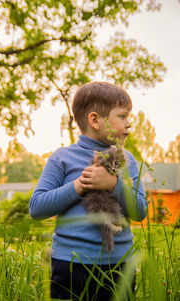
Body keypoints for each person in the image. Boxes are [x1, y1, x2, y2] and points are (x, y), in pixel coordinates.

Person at [29, 82, 147, 300]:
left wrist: (113, 185)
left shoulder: (128, 160)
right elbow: (37, 208)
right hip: (70, 264)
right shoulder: (62, 157)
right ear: (95, 120)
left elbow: (140, 211)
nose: (129, 124)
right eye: (122, 116)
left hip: (118, 265)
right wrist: (79, 185)